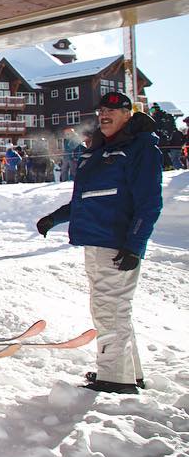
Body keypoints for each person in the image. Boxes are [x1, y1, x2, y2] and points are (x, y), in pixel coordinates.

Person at [35, 92, 163, 394]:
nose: (105, 114)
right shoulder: (102, 148)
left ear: (128, 114)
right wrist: (55, 218)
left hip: (117, 243)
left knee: (108, 310)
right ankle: (129, 372)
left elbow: (149, 203)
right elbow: (87, 198)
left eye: (113, 111)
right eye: (102, 110)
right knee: (116, 309)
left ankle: (115, 379)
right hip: (97, 240)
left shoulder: (139, 147)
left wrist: (135, 245)